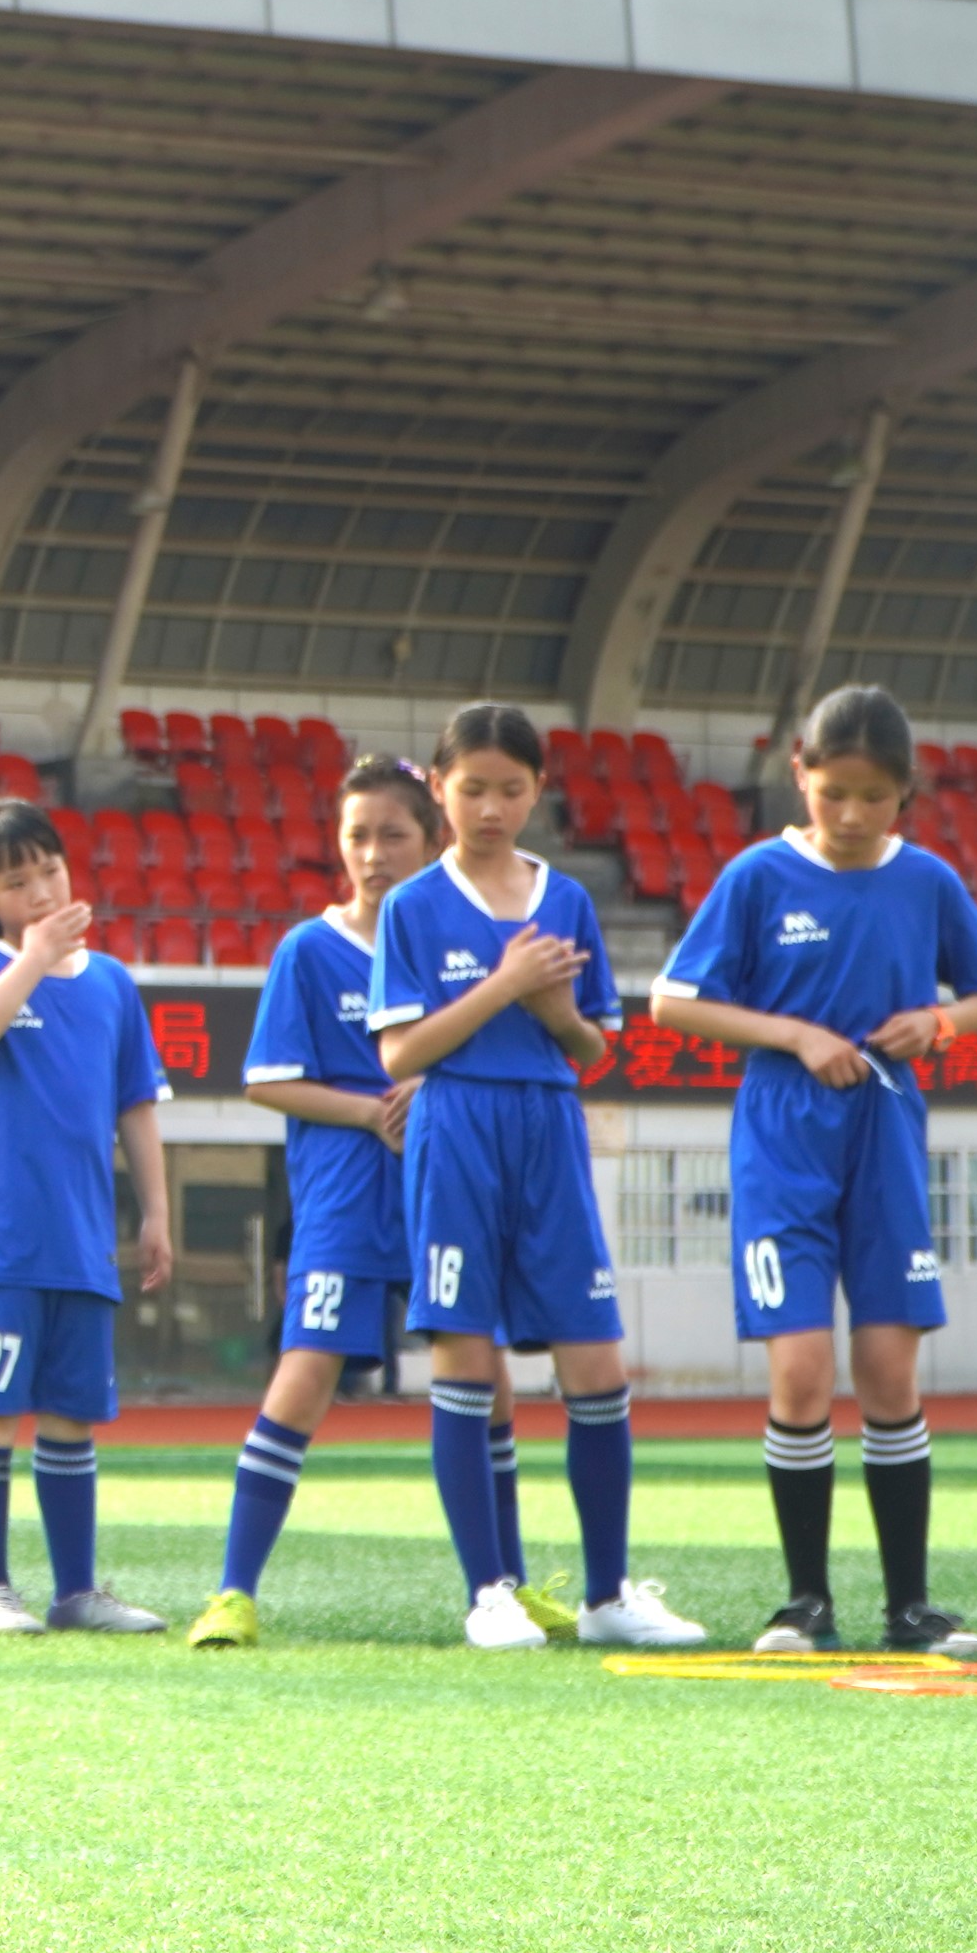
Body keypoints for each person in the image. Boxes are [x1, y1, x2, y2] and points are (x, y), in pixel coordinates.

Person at [650, 684, 977, 1658]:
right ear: (800, 776)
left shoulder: (926, 879)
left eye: (874, 797)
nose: (853, 816)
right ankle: (804, 1604)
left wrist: (939, 1022)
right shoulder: (757, 876)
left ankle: (911, 1609)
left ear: (905, 793)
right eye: (834, 793)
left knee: (889, 1371)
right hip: (783, 1143)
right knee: (803, 1370)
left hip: (885, 1134)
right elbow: (672, 1002)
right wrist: (794, 1035)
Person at [195, 759, 564, 1648]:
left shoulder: (453, 942)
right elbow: (267, 1081)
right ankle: (233, 1592)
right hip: (346, 1199)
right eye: (356, 836)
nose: (371, 854)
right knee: (306, 1374)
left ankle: (502, 1586)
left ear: (430, 840)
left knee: (486, 1383)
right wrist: (369, 1110)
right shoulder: (309, 950)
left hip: (450, 1188)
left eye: (392, 835)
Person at [375, 701, 704, 1650]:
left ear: (538, 793)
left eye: (510, 789)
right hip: (456, 1128)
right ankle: (489, 1593)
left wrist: (558, 1011)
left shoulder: (566, 900)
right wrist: (505, 986)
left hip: (550, 1128)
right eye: (472, 787)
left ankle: (607, 1596)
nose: (490, 807)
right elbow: (401, 1054)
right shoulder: (412, 905)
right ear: (439, 789)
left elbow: (594, 1047)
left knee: (594, 1359)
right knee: (464, 1357)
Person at [0, 798, 173, 1636]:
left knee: (71, 1415)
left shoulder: (111, 983)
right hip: (1, 1237)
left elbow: (136, 1104)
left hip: (81, 1239)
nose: (40, 892)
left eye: (50, 871)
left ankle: (77, 1593)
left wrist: (156, 1210)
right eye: (16, 881)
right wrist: (32, 960)